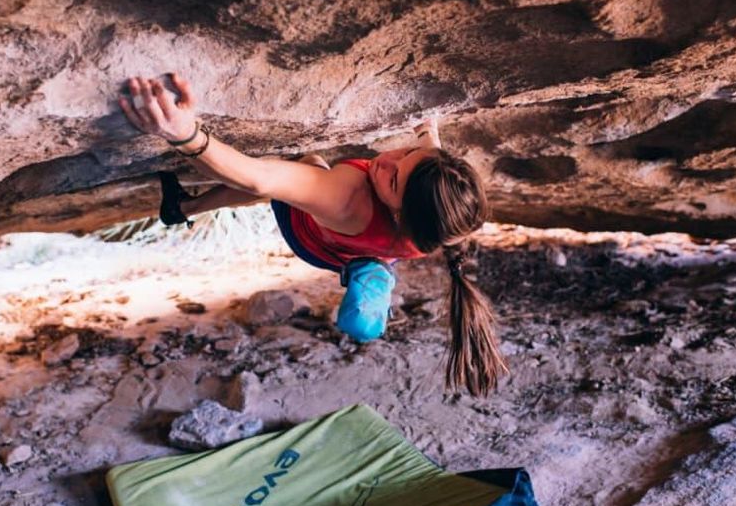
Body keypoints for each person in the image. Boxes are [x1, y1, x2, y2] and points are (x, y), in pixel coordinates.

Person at [118, 73, 507, 396]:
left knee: (302, 165)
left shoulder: (346, 197)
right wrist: (426, 130)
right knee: (375, 235)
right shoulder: (445, 221)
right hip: (376, 244)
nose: (388, 160)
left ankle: (184, 208)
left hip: (312, 238)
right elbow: (429, 158)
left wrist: (185, 135)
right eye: (406, 155)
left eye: (393, 180)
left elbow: (258, 177)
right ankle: (371, 268)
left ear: (398, 213)